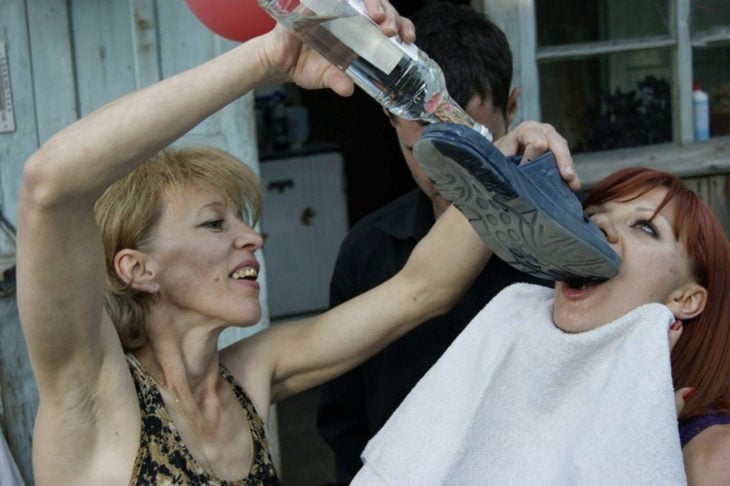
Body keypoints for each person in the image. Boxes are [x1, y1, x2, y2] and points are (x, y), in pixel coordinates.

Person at [14, 1, 576, 484]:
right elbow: (50, 186)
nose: (252, 238)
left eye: (243, 221)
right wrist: (268, 60)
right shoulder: (90, 394)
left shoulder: (250, 377)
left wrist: (499, 157)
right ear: (138, 269)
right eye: (215, 224)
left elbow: (421, 288)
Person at [352, 129, 730, 484]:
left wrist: (640, 434)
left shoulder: (713, 456)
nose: (599, 227)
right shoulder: (511, 325)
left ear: (686, 299)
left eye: (645, 227)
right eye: (591, 216)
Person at [316, 4, 556, 482]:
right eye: (422, 149)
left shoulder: (564, 237)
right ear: (390, 117)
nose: (447, 173)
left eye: (469, 144)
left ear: (511, 108)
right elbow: (344, 418)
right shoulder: (366, 250)